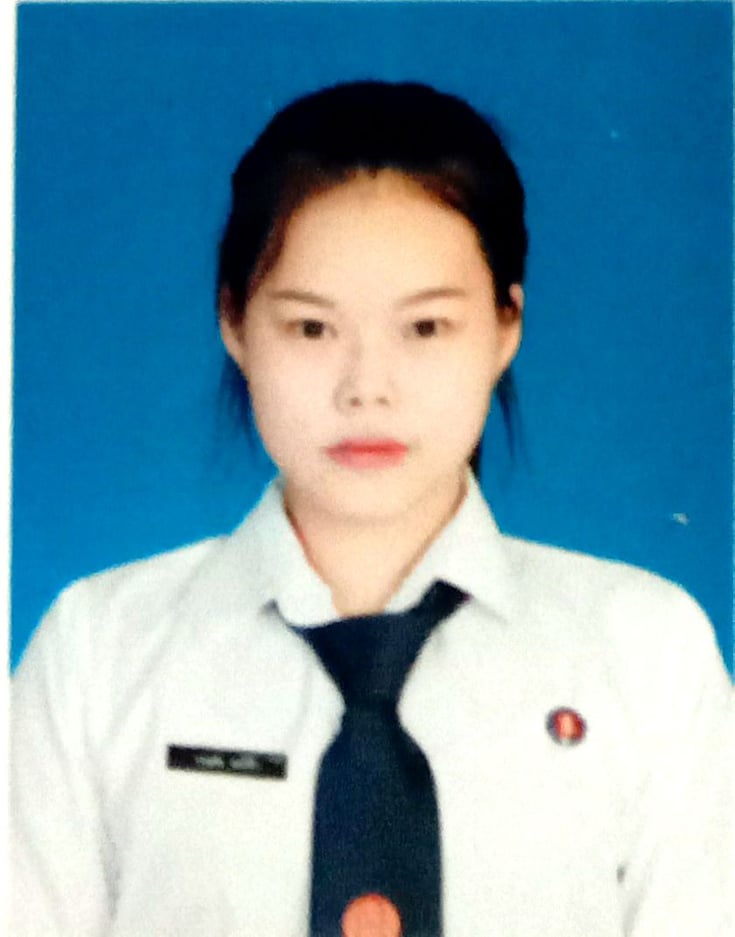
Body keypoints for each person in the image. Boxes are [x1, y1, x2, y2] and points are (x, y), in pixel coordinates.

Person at [11, 80, 733, 937]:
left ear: (505, 325)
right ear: (234, 322)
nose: (366, 388)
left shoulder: (645, 651)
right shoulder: (99, 651)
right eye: (311, 329)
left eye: (424, 328)